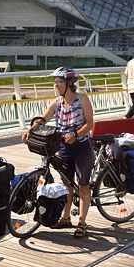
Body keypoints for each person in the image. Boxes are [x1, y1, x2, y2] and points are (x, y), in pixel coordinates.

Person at [22, 66, 95, 238]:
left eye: (58, 82)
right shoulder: (57, 103)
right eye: (55, 83)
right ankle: (65, 218)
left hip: (82, 147)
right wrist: (30, 130)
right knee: (66, 184)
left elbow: (90, 124)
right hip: (63, 148)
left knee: (83, 185)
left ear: (69, 83)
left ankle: (82, 222)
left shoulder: (82, 99)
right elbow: (43, 119)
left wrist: (77, 134)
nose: (56, 86)